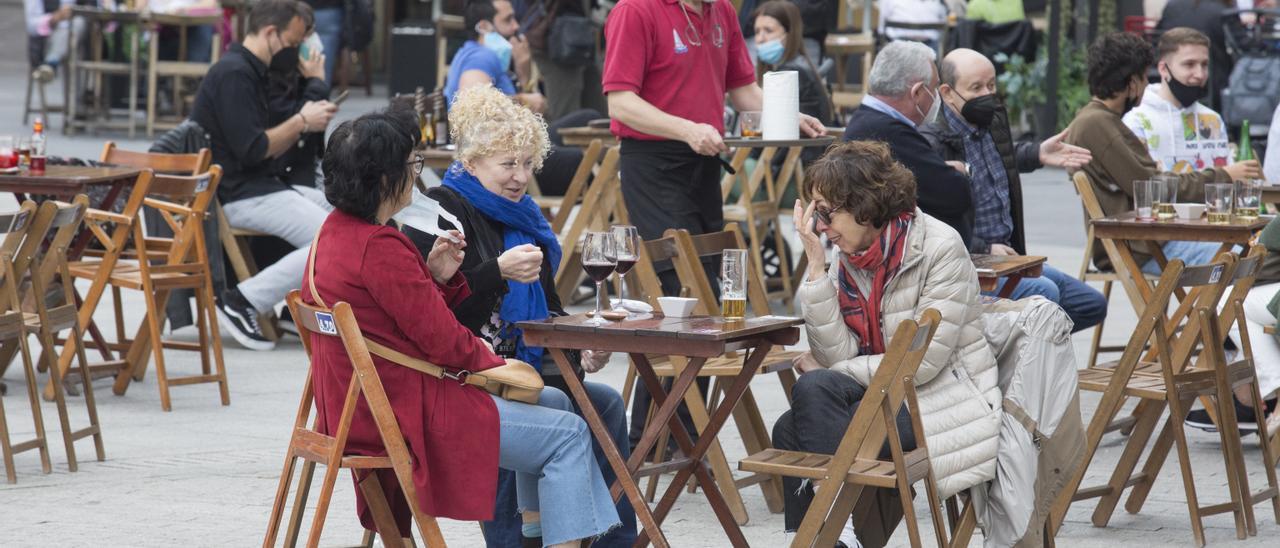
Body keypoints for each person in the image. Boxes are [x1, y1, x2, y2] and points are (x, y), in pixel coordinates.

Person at [304, 108, 620, 546]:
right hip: (402, 410)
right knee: (568, 434)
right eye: (410, 165)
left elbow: (401, 319)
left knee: (552, 400)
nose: (416, 175)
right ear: (383, 179)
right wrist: (498, 367)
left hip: (355, 403)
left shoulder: (332, 234)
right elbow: (443, 341)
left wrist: (438, 278)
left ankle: (535, 533)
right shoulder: (379, 246)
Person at [402, 84, 636, 548]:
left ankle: (613, 541)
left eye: (528, 164)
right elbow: (436, 311)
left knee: (604, 402)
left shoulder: (526, 217)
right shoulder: (446, 208)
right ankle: (521, 539)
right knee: (550, 405)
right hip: (472, 371)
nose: (520, 177)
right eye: (507, 164)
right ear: (471, 163)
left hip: (524, 364)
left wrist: (581, 344)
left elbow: (548, 308)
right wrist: (495, 272)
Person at [781, 140, 1001, 547]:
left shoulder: (939, 247)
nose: (820, 226)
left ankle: (829, 536)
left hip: (938, 397)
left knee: (799, 420)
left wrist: (833, 371)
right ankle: (837, 537)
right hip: (881, 390)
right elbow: (837, 356)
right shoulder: (849, 256)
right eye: (817, 215)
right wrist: (815, 267)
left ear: (865, 205)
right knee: (800, 411)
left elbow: (924, 363)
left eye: (827, 213)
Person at [920, 48, 1107, 332]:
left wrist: (1037, 153)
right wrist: (983, 246)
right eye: (976, 87)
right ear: (947, 93)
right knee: (1045, 296)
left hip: (1010, 258)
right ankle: (1018, 363)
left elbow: (1000, 158)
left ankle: (1015, 349)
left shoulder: (992, 119)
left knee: (1090, 304)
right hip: (969, 264)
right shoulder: (932, 142)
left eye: (992, 85)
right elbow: (929, 221)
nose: (987, 94)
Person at [190, 0, 338, 350]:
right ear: (271, 32)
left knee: (348, 220)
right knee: (330, 242)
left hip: (262, 185)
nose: (294, 51)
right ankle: (242, 300)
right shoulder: (234, 73)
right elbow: (253, 148)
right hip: (239, 192)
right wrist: (303, 121)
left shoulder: (251, 70)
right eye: (292, 42)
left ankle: (299, 308)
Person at [1063, 31, 1260, 274]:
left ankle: (1210, 312)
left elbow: (1149, 181)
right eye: (1144, 78)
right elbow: (1153, 186)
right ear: (1132, 82)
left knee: (1251, 250)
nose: (1147, 85)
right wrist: (1223, 176)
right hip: (1140, 247)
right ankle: (1212, 312)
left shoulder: (1102, 120)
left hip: (1144, 240)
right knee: (1249, 256)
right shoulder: (1097, 124)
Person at [445, 0, 597, 196]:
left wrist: (522, 73)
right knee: (590, 158)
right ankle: (611, 212)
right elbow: (472, 103)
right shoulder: (481, 56)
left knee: (588, 117)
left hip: (514, 148)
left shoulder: (476, 52)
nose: (516, 26)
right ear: (483, 26)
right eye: (508, 20)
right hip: (504, 160)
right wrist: (524, 99)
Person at [842, 40, 975, 249]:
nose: (937, 97)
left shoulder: (870, 122)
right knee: (1041, 283)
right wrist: (961, 172)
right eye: (934, 88)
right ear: (917, 93)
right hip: (926, 270)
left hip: (919, 260)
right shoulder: (887, 132)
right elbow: (954, 195)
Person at [1122, 28, 1232, 175]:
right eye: (1189, 64)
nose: (1200, 74)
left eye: (1204, 65)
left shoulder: (1213, 120)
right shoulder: (1137, 120)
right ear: (1164, 69)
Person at [266, 5, 330, 189]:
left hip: (308, 171)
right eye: (306, 36)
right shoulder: (274, 75)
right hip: (285, 178)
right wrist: (316, 83)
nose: (312, 41)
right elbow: (296, 127)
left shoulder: (298, 74)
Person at [752, 1, 833, 126]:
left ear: (789, 34)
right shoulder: (790, 67)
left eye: (768, 30)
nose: (760, 39)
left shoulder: (792, 72)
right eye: (757, 31)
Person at [878, 0, 949, 46]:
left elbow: (881, 26)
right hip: (929, 47)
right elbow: (944, 22)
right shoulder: (938, 3)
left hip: (897, 45)